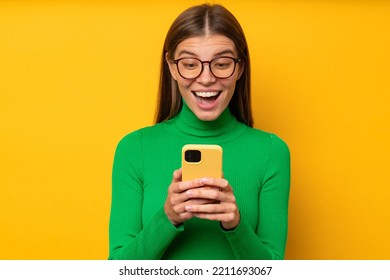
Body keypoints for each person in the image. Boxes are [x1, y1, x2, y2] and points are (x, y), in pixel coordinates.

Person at [108, 3, 290, 260]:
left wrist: (236, 225)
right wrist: (167, 218)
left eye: (222, 63)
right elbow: (118, 269)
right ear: (172, 67)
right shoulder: (134, 149)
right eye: (190, 64)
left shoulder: (272, 151)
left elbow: (274, 271)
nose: (206, 79)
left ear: (239, 68)